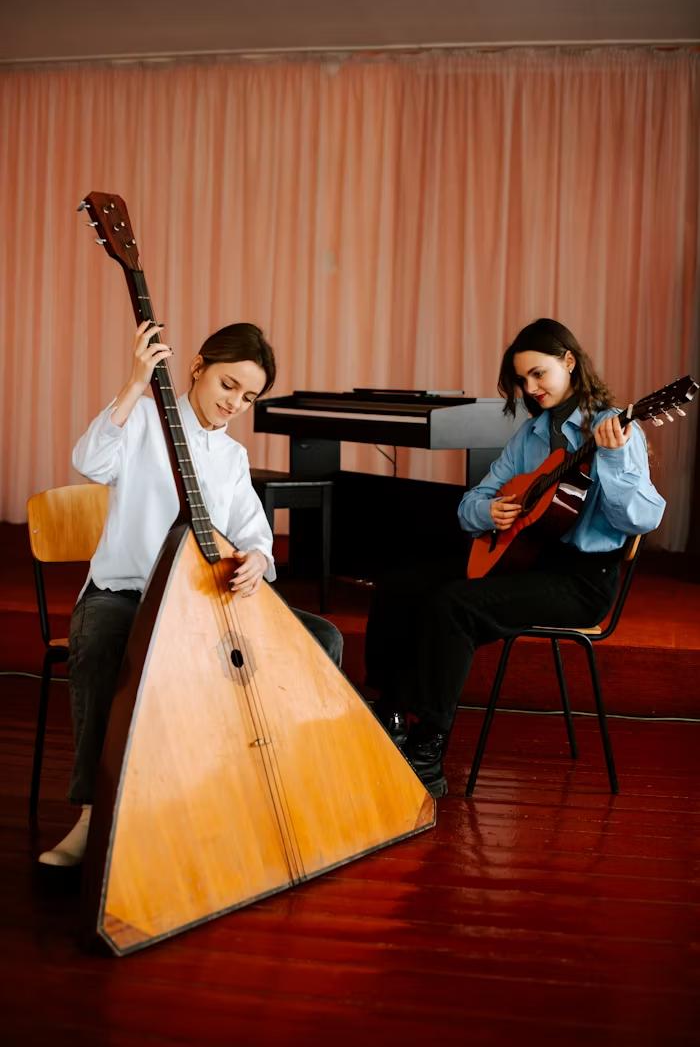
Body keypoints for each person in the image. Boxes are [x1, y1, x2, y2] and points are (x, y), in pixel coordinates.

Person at [39, 320, 342, 866]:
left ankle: (266, 794)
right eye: (229, 385)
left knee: (321, 638)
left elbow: (254, 532)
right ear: (198, 368)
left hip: (201, 606)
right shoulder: (145, 422)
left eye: (248, 397)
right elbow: (90, 462)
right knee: (103, 642)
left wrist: (258, 557)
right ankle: (95, 817)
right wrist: (135, 383)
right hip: (124, 595)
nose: (235, 404)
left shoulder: (231, 457)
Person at [366, 318, 666, 797]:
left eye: (539, 374)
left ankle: (428, 751)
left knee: (454, 605)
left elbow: (641, 520)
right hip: (523, 561)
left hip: (580, 583)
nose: (532, 388)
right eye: (523, 380)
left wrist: (610, 458)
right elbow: (472, 503)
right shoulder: (531, 434)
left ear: (569, 362)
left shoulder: (613, 429)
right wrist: (490, 509)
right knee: (401, 583)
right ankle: (390, 712)